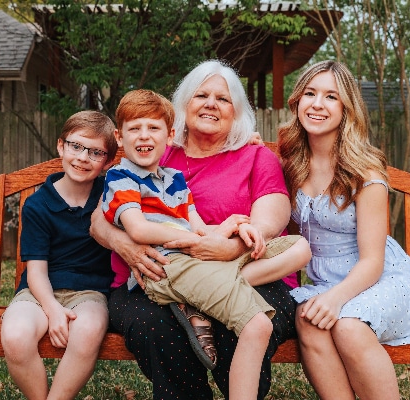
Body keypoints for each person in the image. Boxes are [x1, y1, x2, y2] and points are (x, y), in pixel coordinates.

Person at [90, 60, 302, 400]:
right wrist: (124, 245)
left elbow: (271, 217)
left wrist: (233, 247)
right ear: (183, 105)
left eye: (223, 98)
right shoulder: (154, 148)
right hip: (154, 274)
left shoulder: (255, 156)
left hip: (246, 270)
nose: (211, 104)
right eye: (201, 95)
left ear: (237, 112)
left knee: (241, 320)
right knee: (155, 327)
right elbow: (100, 217)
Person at [278, 60, 410, 400]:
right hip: (326, 283)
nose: (317, 104)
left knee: (348, 326)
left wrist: (335, 298)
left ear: (346, 109)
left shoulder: (365, 172)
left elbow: (373, 261)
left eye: (331, 97)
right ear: (297, 101)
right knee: (308, 319)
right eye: (310, 93)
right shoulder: (291, 164)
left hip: (379, 280)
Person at [0, 110, 118, 400]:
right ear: (60, 147)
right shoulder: (39, 205)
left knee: (88, 329)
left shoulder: (113, 194)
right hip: (38, 292)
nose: (82, 157)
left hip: (91, 292)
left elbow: (156, 155)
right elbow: (36, 272)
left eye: (95, 152)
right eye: (75, 146)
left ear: (108, 161)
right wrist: (52, 309)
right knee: (15, 336)